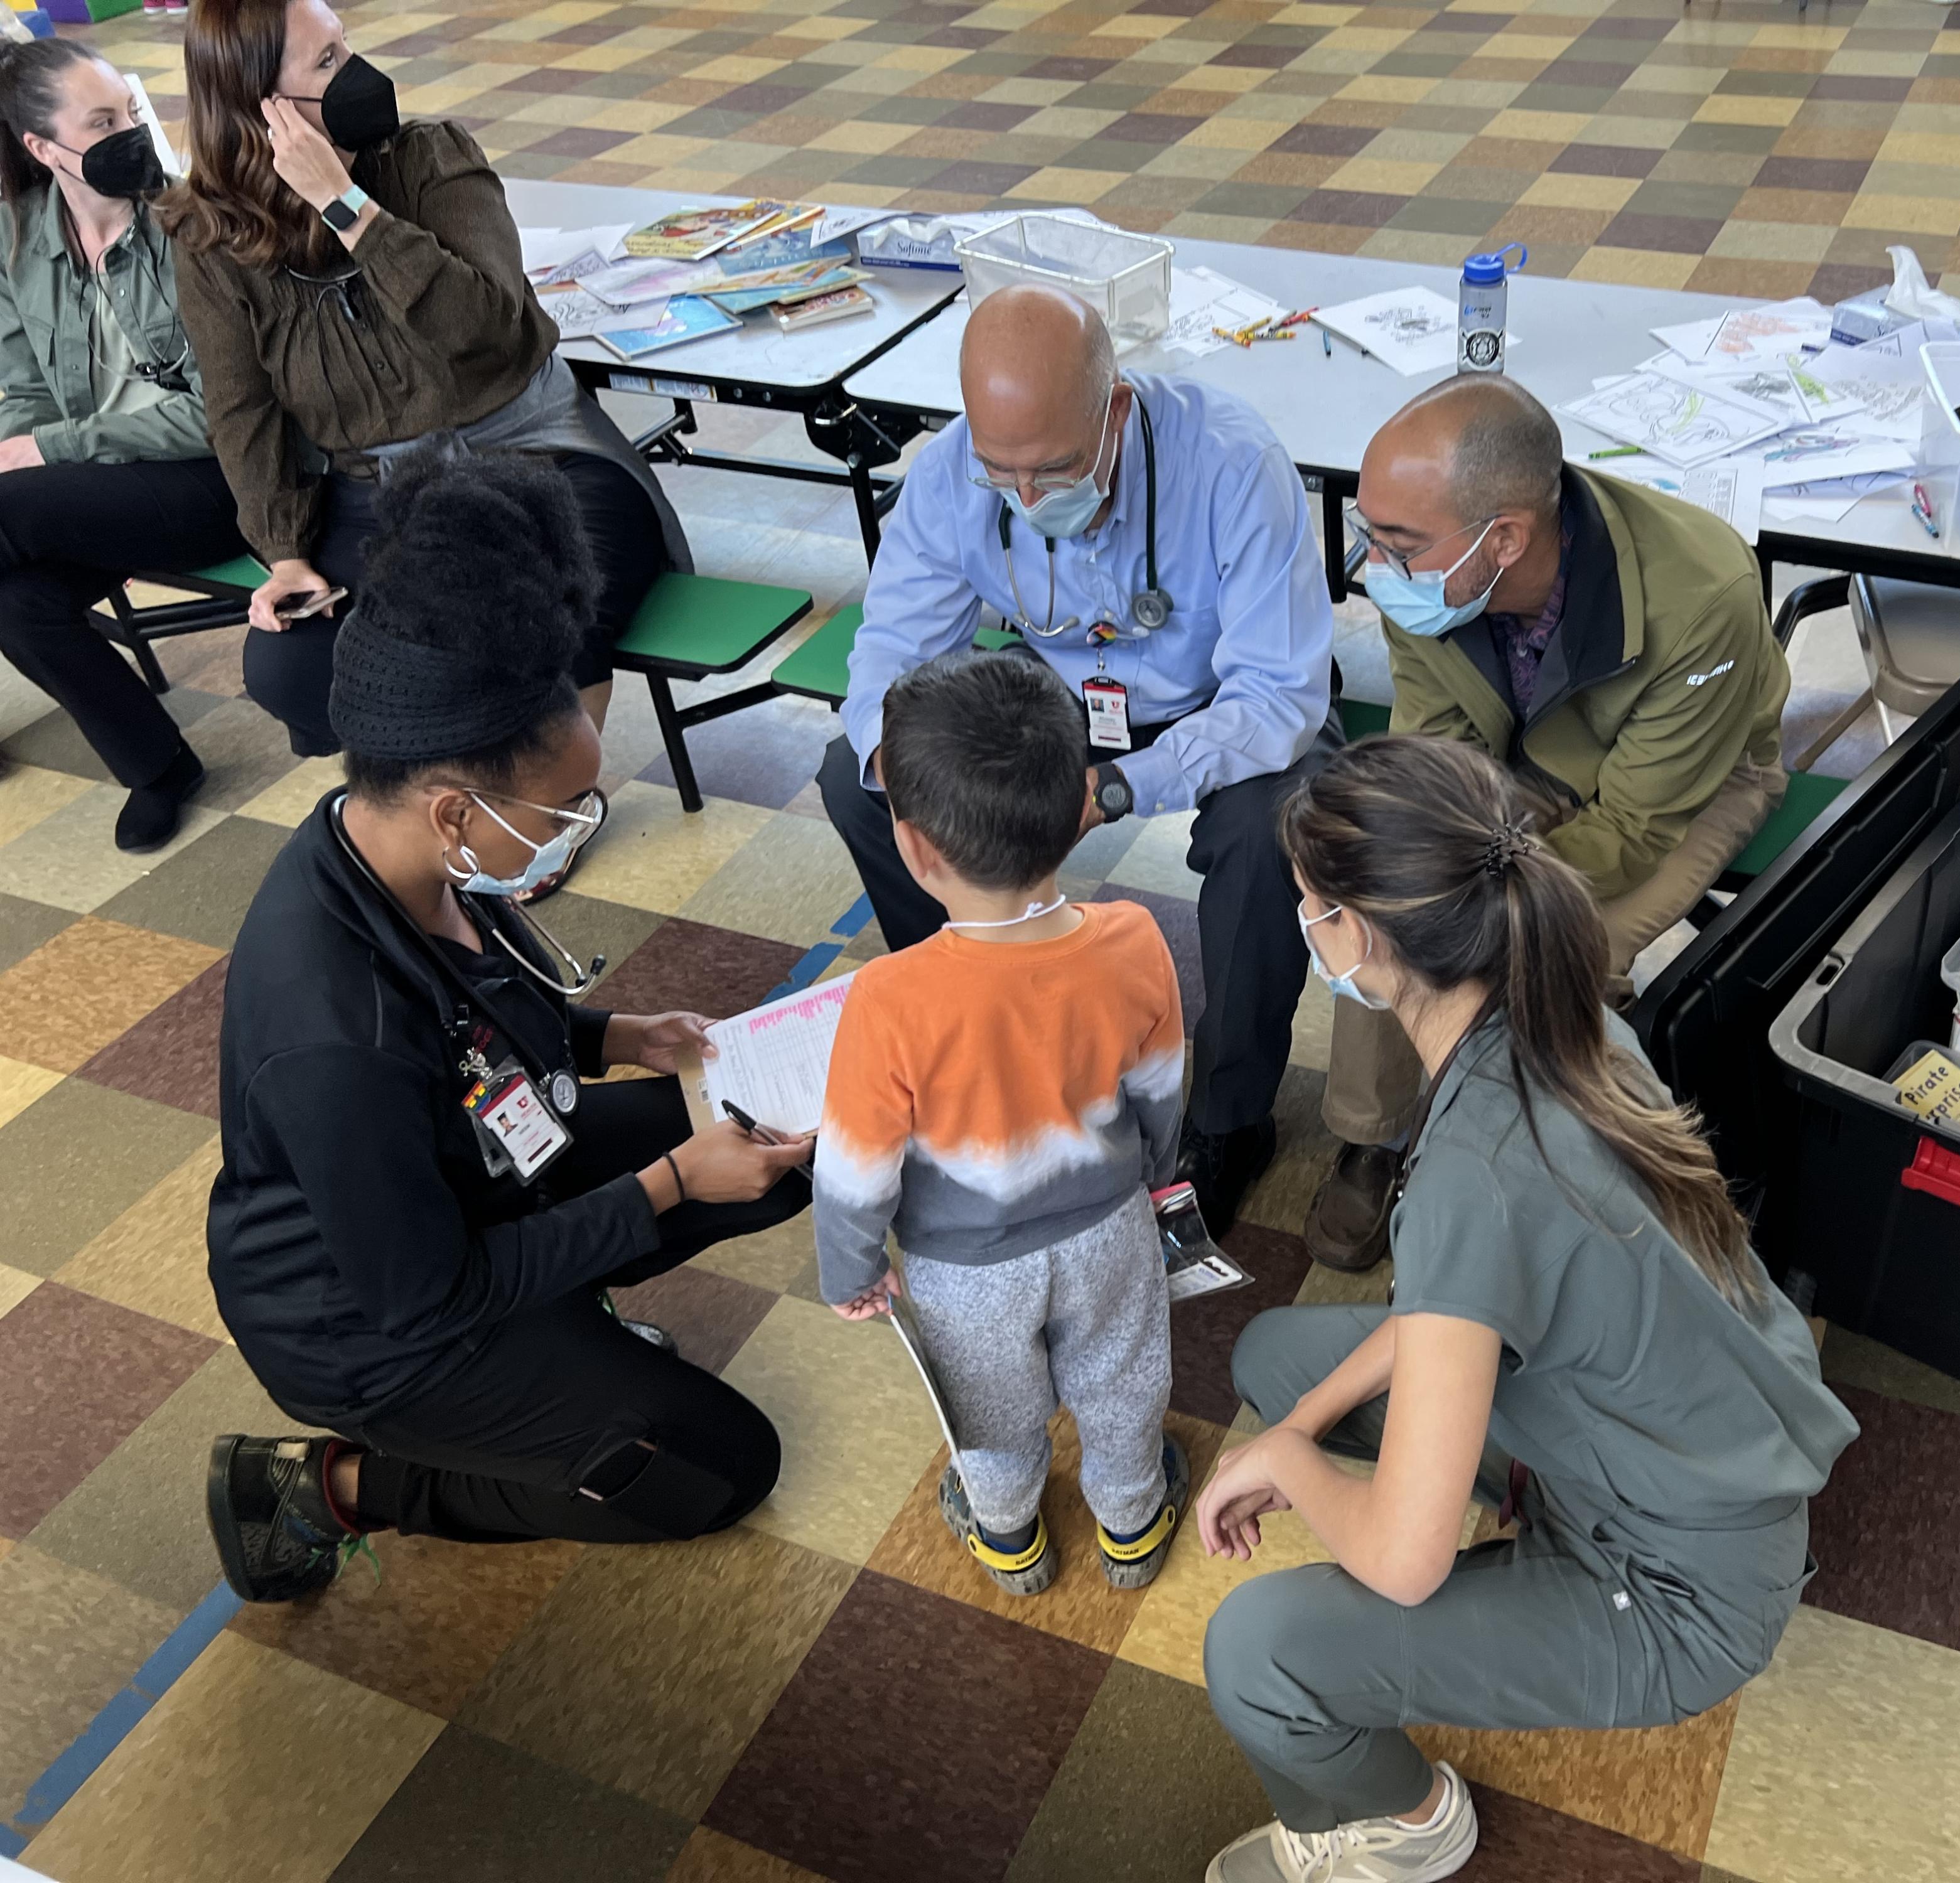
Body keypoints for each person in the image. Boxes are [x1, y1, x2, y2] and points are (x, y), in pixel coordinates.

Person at [1195, 735, 1857, 1883]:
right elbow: (1465, 1294)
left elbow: (1404, 1566)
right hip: (1671, 1456)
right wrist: (1298, 1429)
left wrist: (1292, 1470)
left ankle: (1405, 1827)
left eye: (1307, 907)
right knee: (1280, 1360)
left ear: (1355, 933)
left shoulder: (1475, 1178)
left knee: (1255, 1653)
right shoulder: (1567, 1019)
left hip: (1679, 1596)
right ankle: (1511, 1511)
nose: (1305, 931)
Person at [202, 455, 811, 1604]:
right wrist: (672, 1183)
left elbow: (480, 1027)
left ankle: (568, 1335)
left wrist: (619, 1035)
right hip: (384, 1327)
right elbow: (432, 1291)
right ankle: (335, 1484)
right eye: (563, 809)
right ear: (455, 808)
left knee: (779, 1148)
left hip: (481, 1168)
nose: (576, 826)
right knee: (720, 1473)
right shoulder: (334, 1035)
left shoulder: (401, 847)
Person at [817, 283, 1337, 1236]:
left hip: (1219, 702)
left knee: (1276, 831)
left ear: (1117, 410)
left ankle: (1228, 1117)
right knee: (859, 790)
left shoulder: (1231, 463)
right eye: (999, 472)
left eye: (1053, 469)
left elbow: (1281, 695)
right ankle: (969, 1017)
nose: (1023, 498)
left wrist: (1115, 787)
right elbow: (891, 652)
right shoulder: (950, 474)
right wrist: (898, 764)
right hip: (1055, 689)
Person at [1305, 374, 1792, 1272]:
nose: (1375, 567)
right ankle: (1376, 1136)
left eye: (1397, 543)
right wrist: (1421, 873)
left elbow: (1635, 829)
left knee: (1564, 947)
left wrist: (1483, 899)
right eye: (1371, 535)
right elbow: (1435, 750)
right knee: (1391, 898)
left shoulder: (1704, 592)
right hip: (1519, 756)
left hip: (1686, 784)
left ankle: (1537, 1166)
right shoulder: (1433, 569)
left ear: (1507, 538)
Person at [158, 0, 684, 770]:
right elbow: (243, 410)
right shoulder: (209, 237)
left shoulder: (431, 160)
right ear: (261, 109)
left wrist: (350, 210)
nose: (360, 73)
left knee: (532, 614)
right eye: (328, 63)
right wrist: (283, 553)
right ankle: (449, 787)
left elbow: (491, 330)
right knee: (291, 667)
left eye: (346, 46)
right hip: (381, 486)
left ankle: (556, 798)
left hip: (536, 457)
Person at [817, 650, 1192, 1595]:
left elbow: (856, 1171)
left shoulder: (889, 997)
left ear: (912, 847)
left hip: (960, 1267)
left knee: (988, 1409)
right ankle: (1133, 1524)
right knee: (1122, 1375)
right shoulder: (1134, 937)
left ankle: (1009, 1537)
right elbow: (1161, 1089)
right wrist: (1151, 1176)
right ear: (1078, 814)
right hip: (1110, 1226)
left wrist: (851, 1270)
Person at [0, 41, 247, 850]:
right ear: (42, 149)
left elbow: (221, 415)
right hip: (89, 492)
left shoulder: (190, 227)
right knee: (19, 604)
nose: (131, 133)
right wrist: (26, 445)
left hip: (212, 479)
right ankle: (160, 768)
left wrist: (50, 450)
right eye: (101, 123)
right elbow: (24, 389)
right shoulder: (17, 239)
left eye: (132, 114)